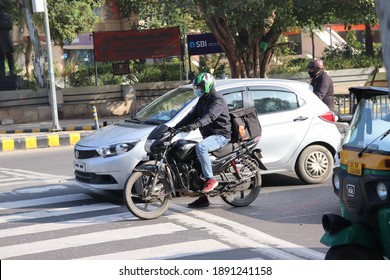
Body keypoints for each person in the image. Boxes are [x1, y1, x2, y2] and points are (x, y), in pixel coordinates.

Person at [175, 72, 232, 208]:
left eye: (199, 87)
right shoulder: (203, 100)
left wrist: (195, 125)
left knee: (201, 147)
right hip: (209, 136)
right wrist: (174, 128)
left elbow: (210, 117)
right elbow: (191, 116)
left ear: (207, 86)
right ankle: (203, 197)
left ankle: (211, 180)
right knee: (193, 160)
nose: (197, 89)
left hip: (221, 136)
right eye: (196, 87)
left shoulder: (217, 99)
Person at [0, 1, 15, 76]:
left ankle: (12, 70)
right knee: (1, 57)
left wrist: (2, 26)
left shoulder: (8, 16)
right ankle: (2, 72)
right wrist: (3, 25)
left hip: (6, 38)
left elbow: (10, 26)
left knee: (9, 55)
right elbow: (5, 25)